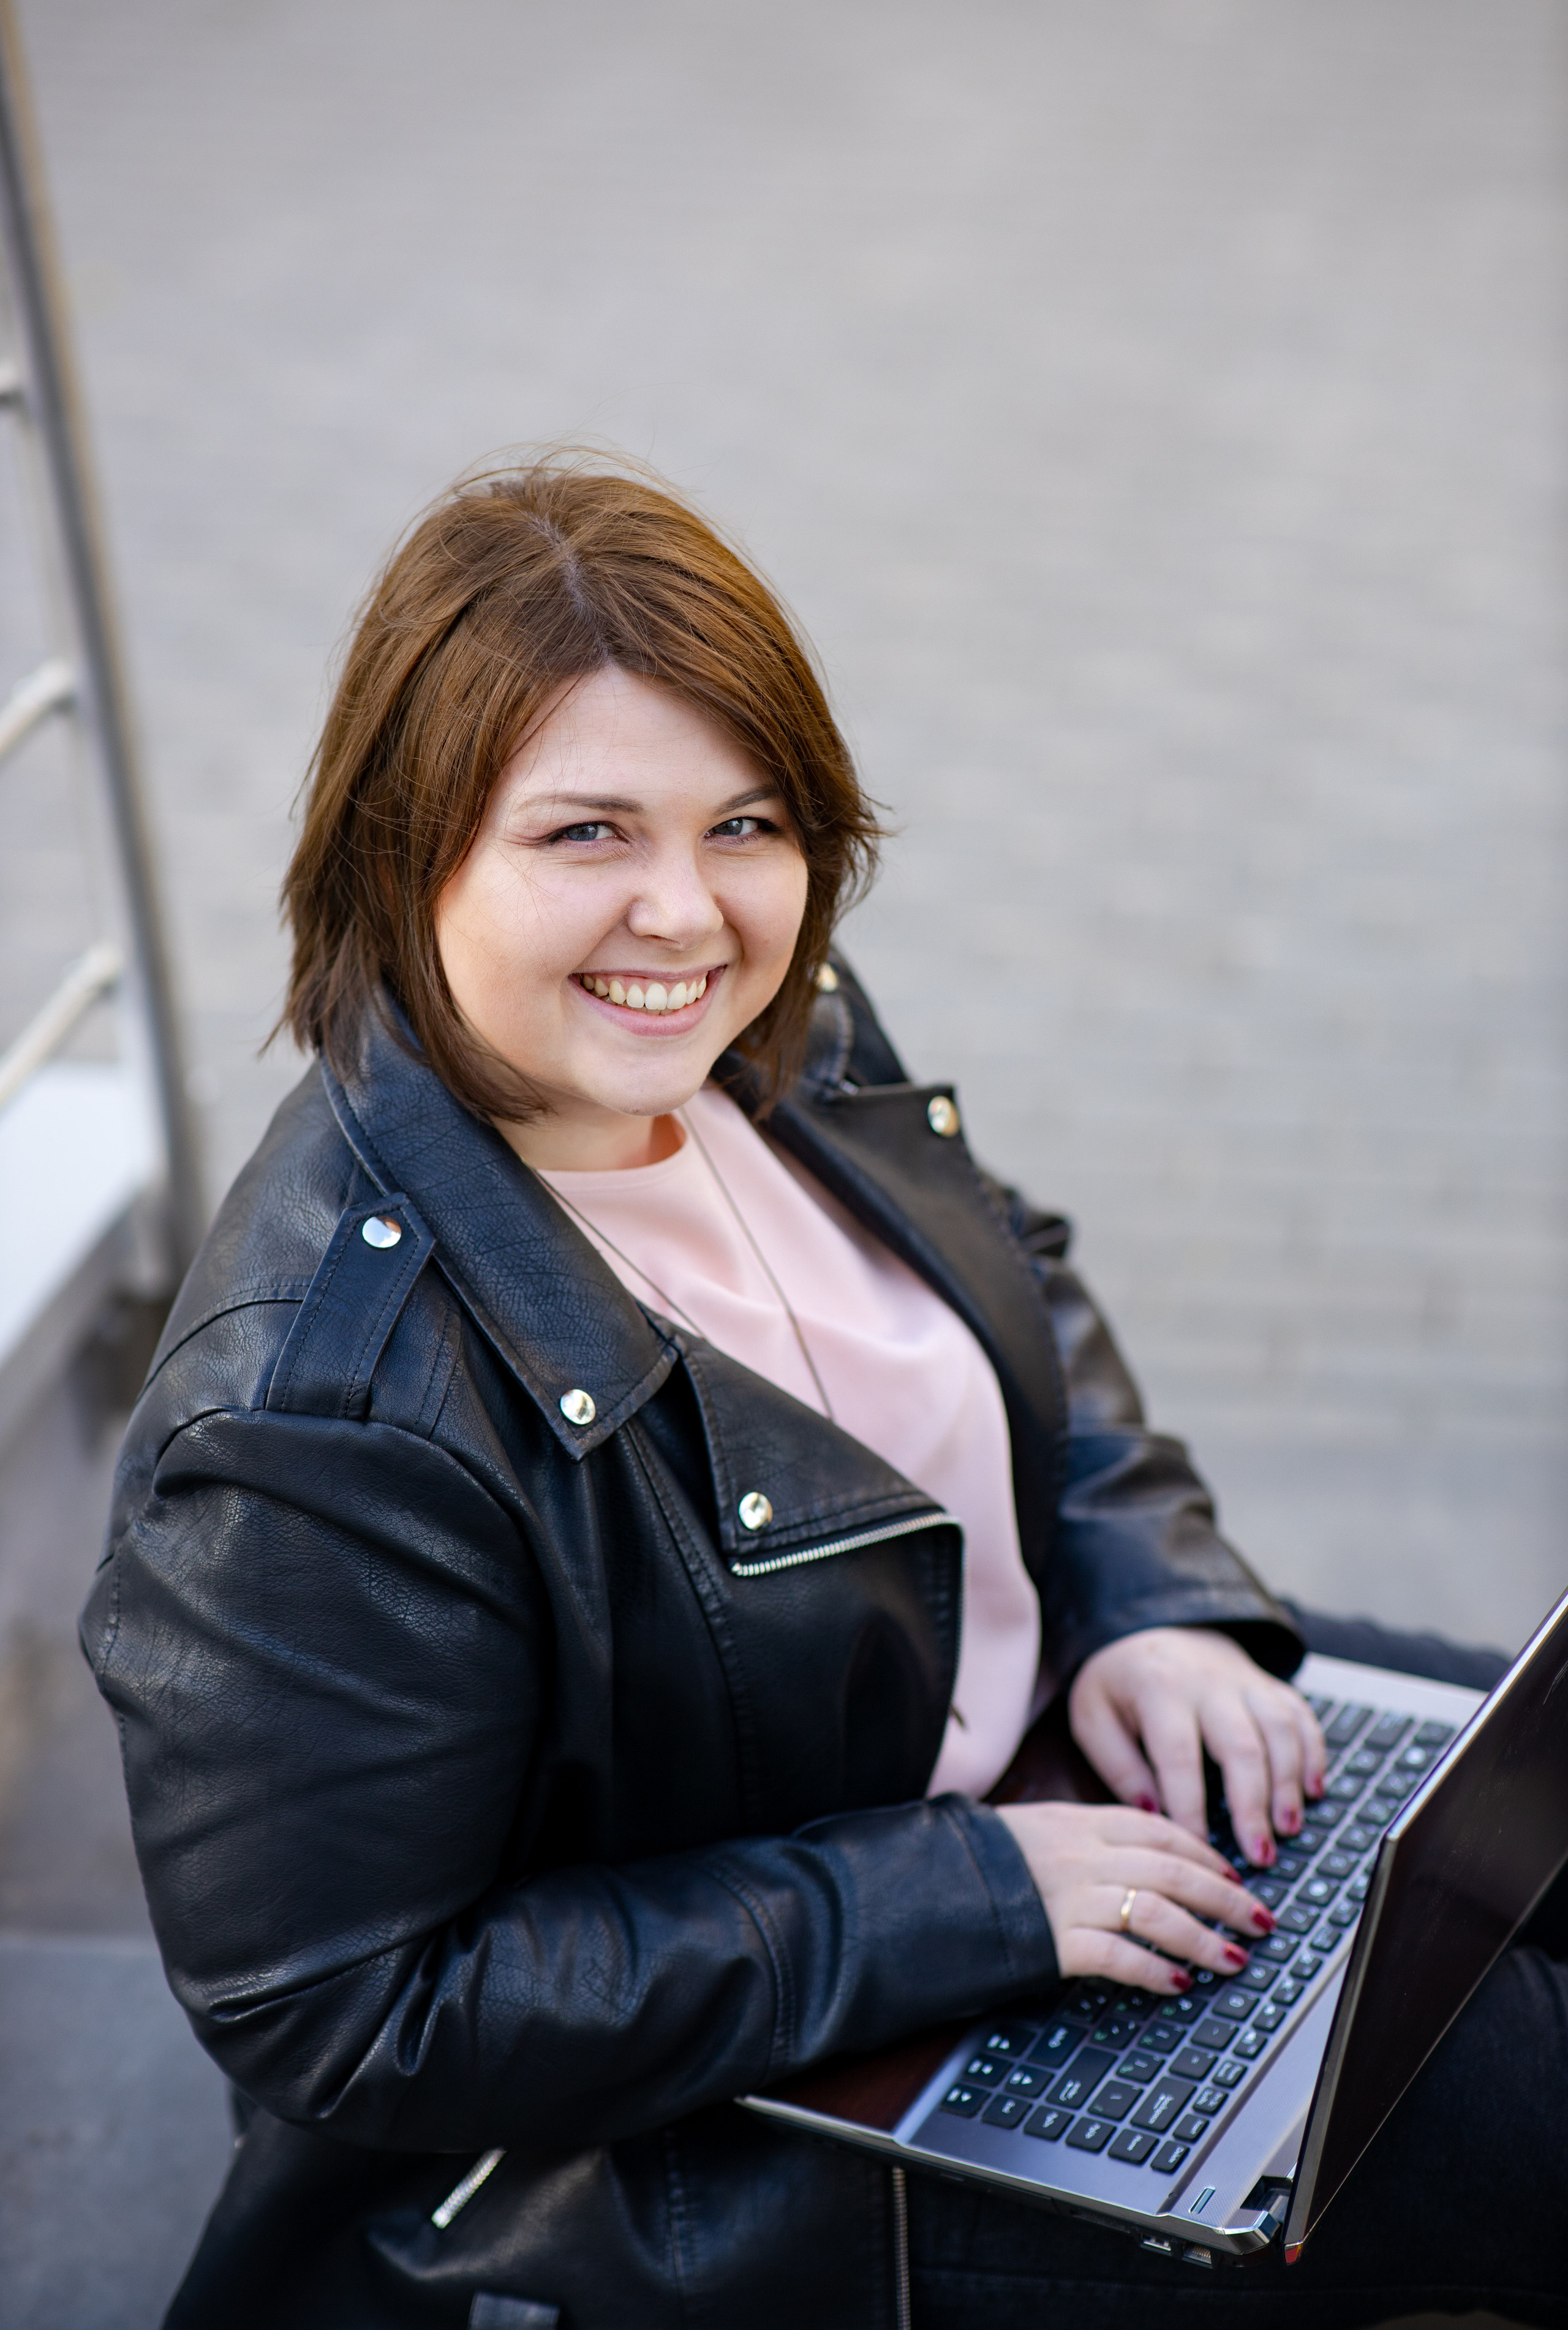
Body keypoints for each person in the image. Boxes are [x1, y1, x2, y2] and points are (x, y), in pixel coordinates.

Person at [86, 462, 1559, 2330]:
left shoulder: (763, 1025)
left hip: (1030, 1779)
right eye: (584, 835)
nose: (687, 914)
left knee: (1532, 1810)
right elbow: (355, 2013)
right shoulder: (311, 1424)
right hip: (686, 2136)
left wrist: (1151, 1602)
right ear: (407, 849)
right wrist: (960, 1900)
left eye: (750, 822)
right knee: (1518, 2109)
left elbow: (1006, 1269)